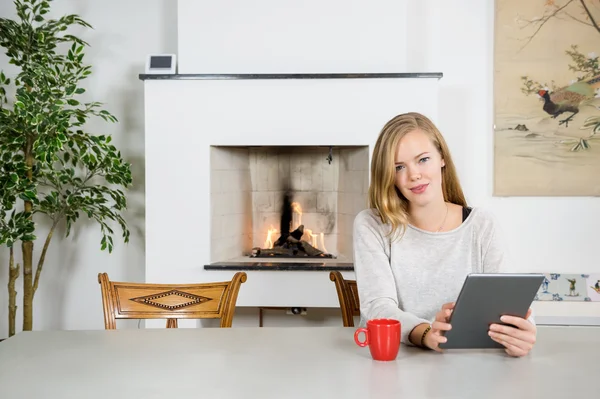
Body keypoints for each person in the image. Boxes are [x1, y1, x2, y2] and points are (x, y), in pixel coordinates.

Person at [353, 112, 537, 357]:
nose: (414, 175)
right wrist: (427, 334)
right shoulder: (372, 225)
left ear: (442, 158)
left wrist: (522, 334)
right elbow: (378, 307)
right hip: (397, 364)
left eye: (423, 159)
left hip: (472, 366)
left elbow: (508, 303)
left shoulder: (481, 224)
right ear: (389, 175)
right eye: (399, 167)